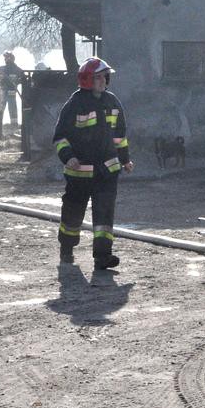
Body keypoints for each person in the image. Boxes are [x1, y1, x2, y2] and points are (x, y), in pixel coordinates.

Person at [52, 57, 134, 271]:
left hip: (107, 171)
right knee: (73, 213)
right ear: (87, 80)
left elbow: (120, 136)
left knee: (104, 215)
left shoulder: (112, 102)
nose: (103, 81)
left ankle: (102, 257)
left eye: (105, 77)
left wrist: (125, 159)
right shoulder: (75, 104)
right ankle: (67, 249)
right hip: (80, 173)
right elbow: (60, 137)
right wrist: (68, 157)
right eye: (98, 77)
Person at [0, 50, 24, 131]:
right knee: (5, 108)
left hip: (6, 93)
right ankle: (11, 124)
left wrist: (17, 82)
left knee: (6, 108)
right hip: (4, 93)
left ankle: (10, 125)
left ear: (10, 58)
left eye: (6, 57)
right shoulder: (5, 69)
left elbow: (23, 78)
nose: (5, 59)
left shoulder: (14, 69)